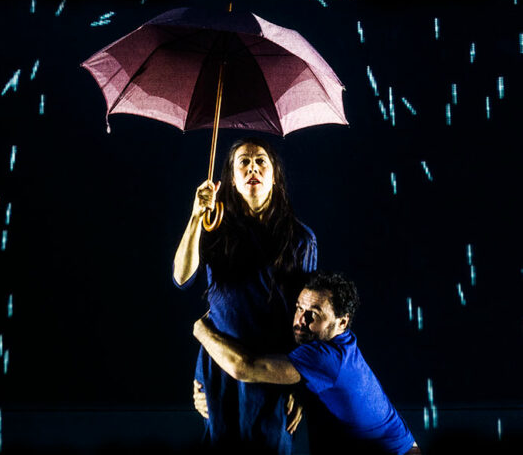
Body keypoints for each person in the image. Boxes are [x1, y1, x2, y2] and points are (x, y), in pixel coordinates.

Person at [173, 137, 317, 454]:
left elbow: (308, 320)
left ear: (275, 177)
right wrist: (196, 217)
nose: (253, 167)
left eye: (261, 161)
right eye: (244, 162)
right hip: (220, 363)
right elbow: (182, 277)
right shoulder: (215, 229)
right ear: (232, 180)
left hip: (270, 368)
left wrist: (300, 385)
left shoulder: (301, 239)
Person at [193, 272, 421, 455]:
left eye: (314, 314)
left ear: (342, 322)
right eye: (299, 308)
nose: (301, 320)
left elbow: (244, 367)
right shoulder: (337, 341)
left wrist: (201, 330)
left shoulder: (325, 357)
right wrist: (212, 392)